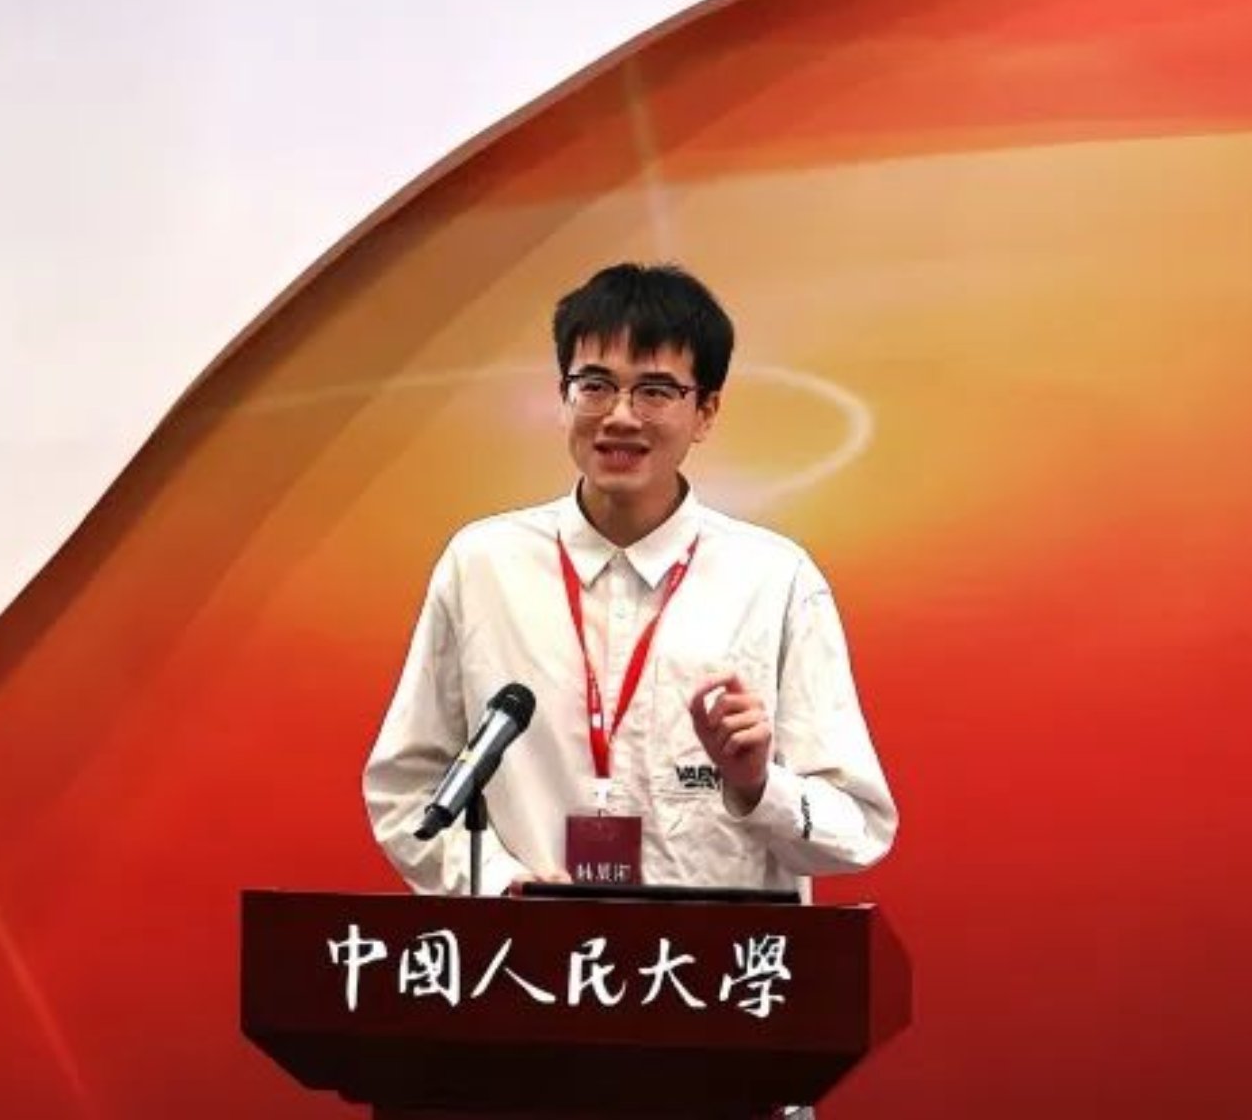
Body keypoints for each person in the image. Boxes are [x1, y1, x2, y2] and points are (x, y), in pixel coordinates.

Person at [364, 262, 896, 899]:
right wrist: (503, 887)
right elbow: (406, 790)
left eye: (655, 391)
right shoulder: (483, 565)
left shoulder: (776, 580)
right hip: (535, 954)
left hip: (713, 957)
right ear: (564, 397)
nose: (619, 416)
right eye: (594, 385)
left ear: (706, 412)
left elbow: (858, 829)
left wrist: (758, 785)